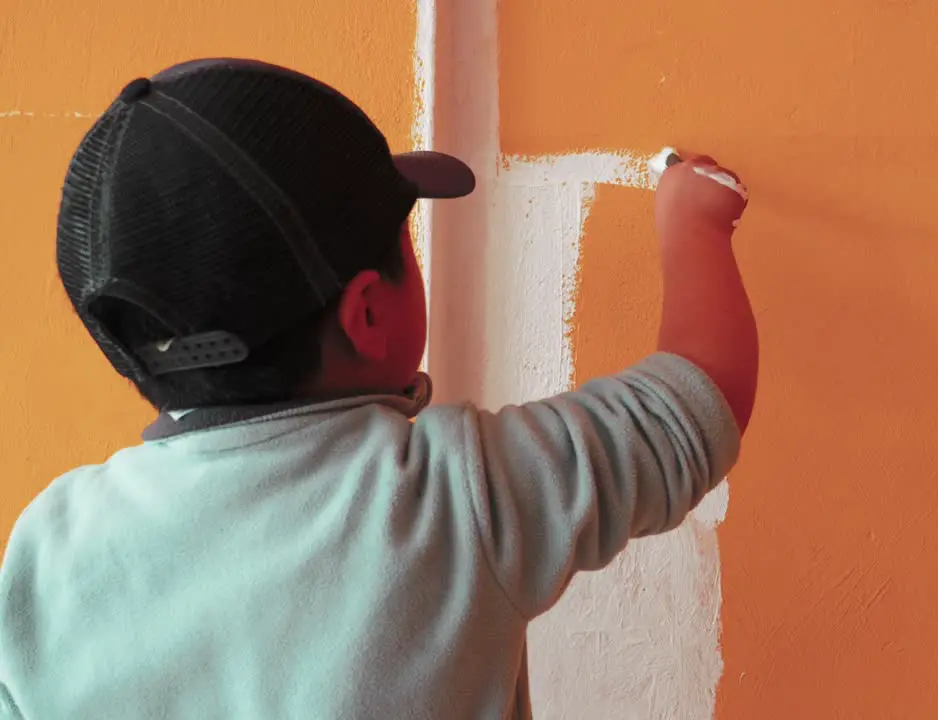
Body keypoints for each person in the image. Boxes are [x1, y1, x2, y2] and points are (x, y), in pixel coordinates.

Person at [0, 58, 757, 719]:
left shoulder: (43, 551)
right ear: (367, 312)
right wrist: (695, 223)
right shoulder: (450, 498)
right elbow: (693, 408)